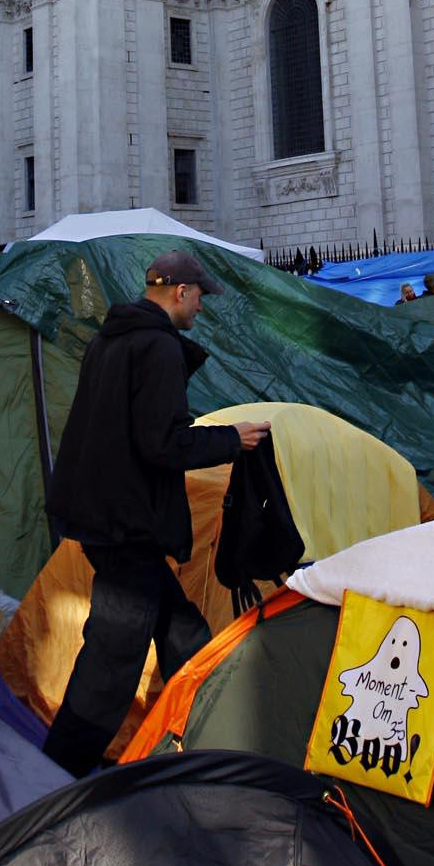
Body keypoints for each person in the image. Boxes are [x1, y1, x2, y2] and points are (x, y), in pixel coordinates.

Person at [42, 249, 270, 775]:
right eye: (200, 299)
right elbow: (161, 444)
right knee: (112, 660)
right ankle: (58, 772)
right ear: (180, 293)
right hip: (128, 523)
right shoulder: (158, 349)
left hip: (102, 514)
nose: (201, 310)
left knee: (182, 636)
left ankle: (216, 735)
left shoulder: (110, 339)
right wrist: (231, 440)